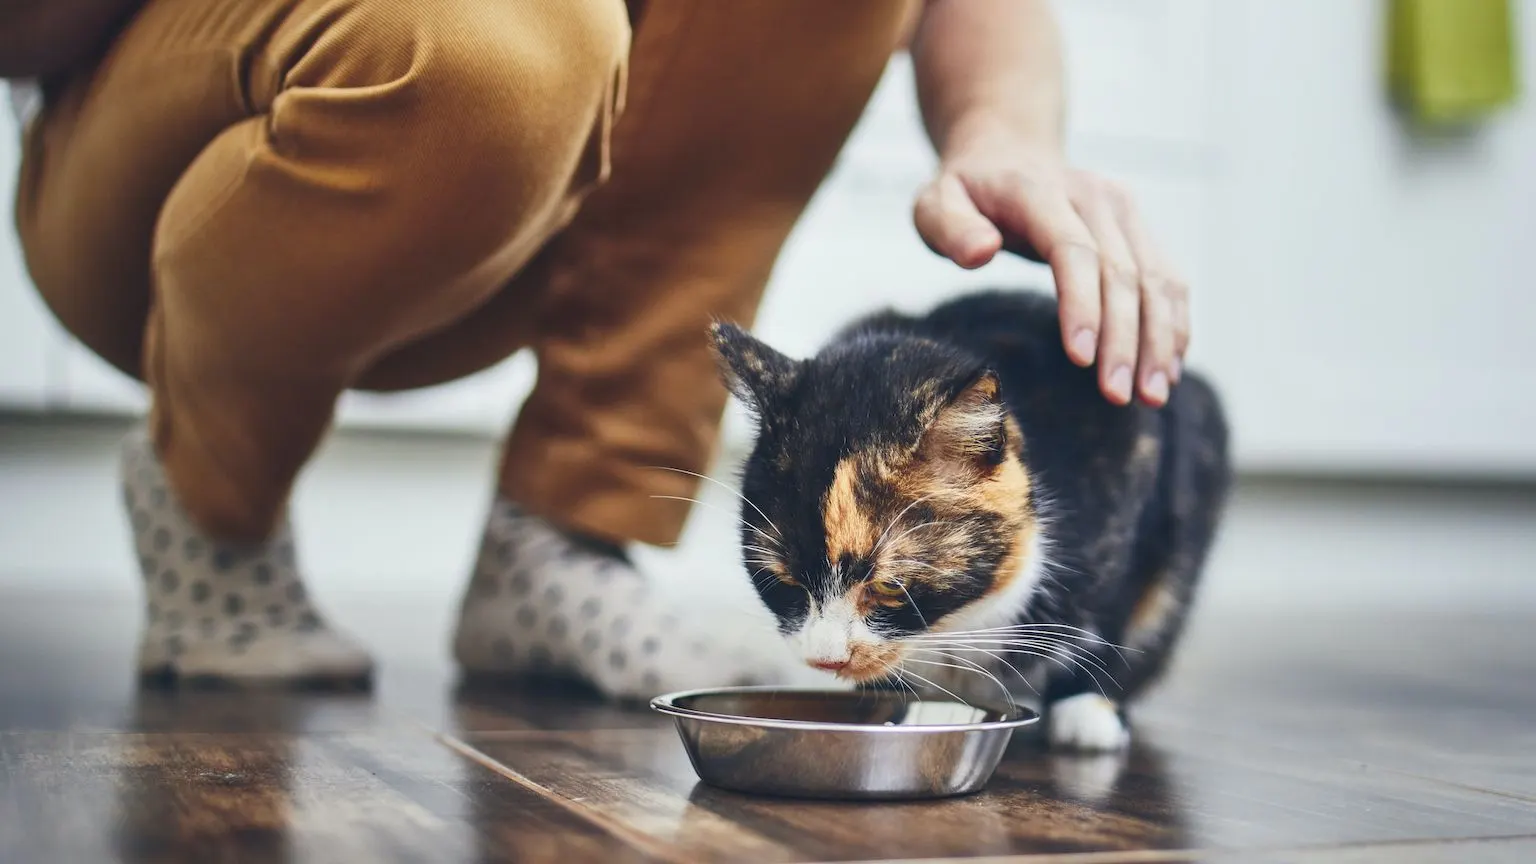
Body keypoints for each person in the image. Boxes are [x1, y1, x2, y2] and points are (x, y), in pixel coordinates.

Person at [3, 0, 1190, 696]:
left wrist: (1002, 137)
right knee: (508, 44)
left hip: (520, 214)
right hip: (167, 172)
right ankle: (214, 501)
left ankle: (562, 533)